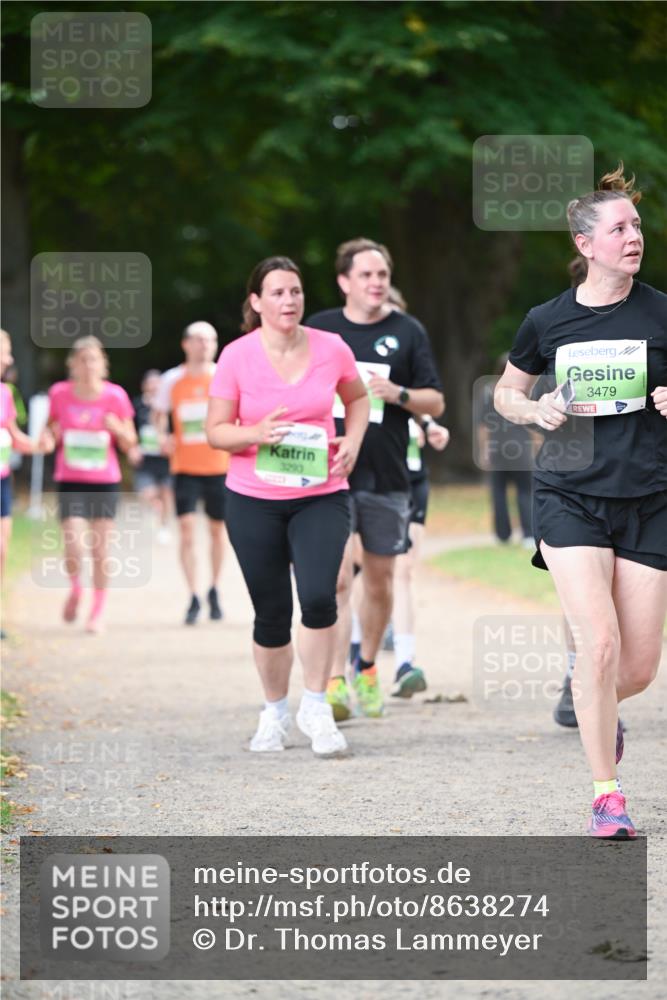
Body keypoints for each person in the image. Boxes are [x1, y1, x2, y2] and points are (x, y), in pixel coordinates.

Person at [495, 164, 667, 838]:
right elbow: (506, 392)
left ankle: (596, 702)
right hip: (569, 495)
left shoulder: (661, 312)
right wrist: (532, 410)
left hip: (650, 497)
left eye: (637, 226)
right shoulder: (547, 320)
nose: (634, 237)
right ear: (585, 243)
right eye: (619, 228)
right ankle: (606, 796)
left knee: (636, 668)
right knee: (598, 645)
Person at [206, 256, 369, 757]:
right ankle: (274, 712)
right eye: (277, 292)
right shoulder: (236, 356)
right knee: (272, 610)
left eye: (295, 291)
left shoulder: (331, 347)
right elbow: (215, 432)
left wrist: (352, 441)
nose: (289, 300)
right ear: (256, 302)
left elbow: (358, 399)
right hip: (253, 500)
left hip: (320, 494)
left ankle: (316, 706)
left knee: (320, 597)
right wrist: (254, 433)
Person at [307, 238, 445, 720]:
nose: (376, 282)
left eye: (382, 274)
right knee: (338, 580)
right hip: (330, 474)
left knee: (381, 583)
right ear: (344, 282)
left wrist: (398, 392)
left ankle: (365, 666)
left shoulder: (407, 330)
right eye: (365, 275)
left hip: (387, 476)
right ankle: (334, 681)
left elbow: (435, 401)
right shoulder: (320, 330)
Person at [42, 336, 137, 633]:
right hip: (70, 480)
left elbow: (131, 441)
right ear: (72, 364)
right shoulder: (59, 394)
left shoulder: (116, 396)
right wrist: (51, 436)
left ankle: (97, 611)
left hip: (104, 482)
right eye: (82, 359)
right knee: (73, 546)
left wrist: (118, 428)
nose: (88, 365)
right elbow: (48, 433)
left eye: (93, 359)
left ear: (102, 363)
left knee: (100, 551)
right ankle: (76, 589)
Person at [153, 323, 228, 625]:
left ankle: (214, 588)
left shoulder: (223, 375)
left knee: (217, 531)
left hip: (219, 466)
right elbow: (159, 415)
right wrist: (162, 436)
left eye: (210, 339)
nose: (205, 344)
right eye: (198, 339)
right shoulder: (171, 379)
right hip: (184, 467)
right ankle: (193, 594)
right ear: (185, 344)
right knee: (186, 530)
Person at [390, 413, 450, 696]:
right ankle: (358, 658)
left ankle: (404, 663)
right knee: (363, 573)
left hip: (413, 478)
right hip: (370, 480)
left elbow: (418, 399)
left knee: (404, 570)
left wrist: (429, 425)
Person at [1, 331, 50, 623]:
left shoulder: (5, 393)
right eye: (4, 352)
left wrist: (37, 446)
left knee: (2, 547)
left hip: (2, 480)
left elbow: (13, 436)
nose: (9, 360)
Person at [478, 352, 535, 547]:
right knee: (525, 491)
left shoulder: (488, 391)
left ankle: (502, 535)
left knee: (498, 492)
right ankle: (528, 534)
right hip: (521, 447)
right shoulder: (524, 392)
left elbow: (483, 425)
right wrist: (537, 447)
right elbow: (532, 423)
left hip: (497, 447)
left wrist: (484, 450)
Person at [128, 369, 173, 544]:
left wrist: (170, 442)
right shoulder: (137, 405)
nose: (154, 386)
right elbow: (130, 428)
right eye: (150, 382)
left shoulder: (169, 405)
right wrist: (132, 447)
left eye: (157, 382)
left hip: (165, 457)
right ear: (144, 385)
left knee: (167, 493)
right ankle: (156, 509)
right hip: (145, 458)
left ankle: (164, 526)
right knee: (147, 493)